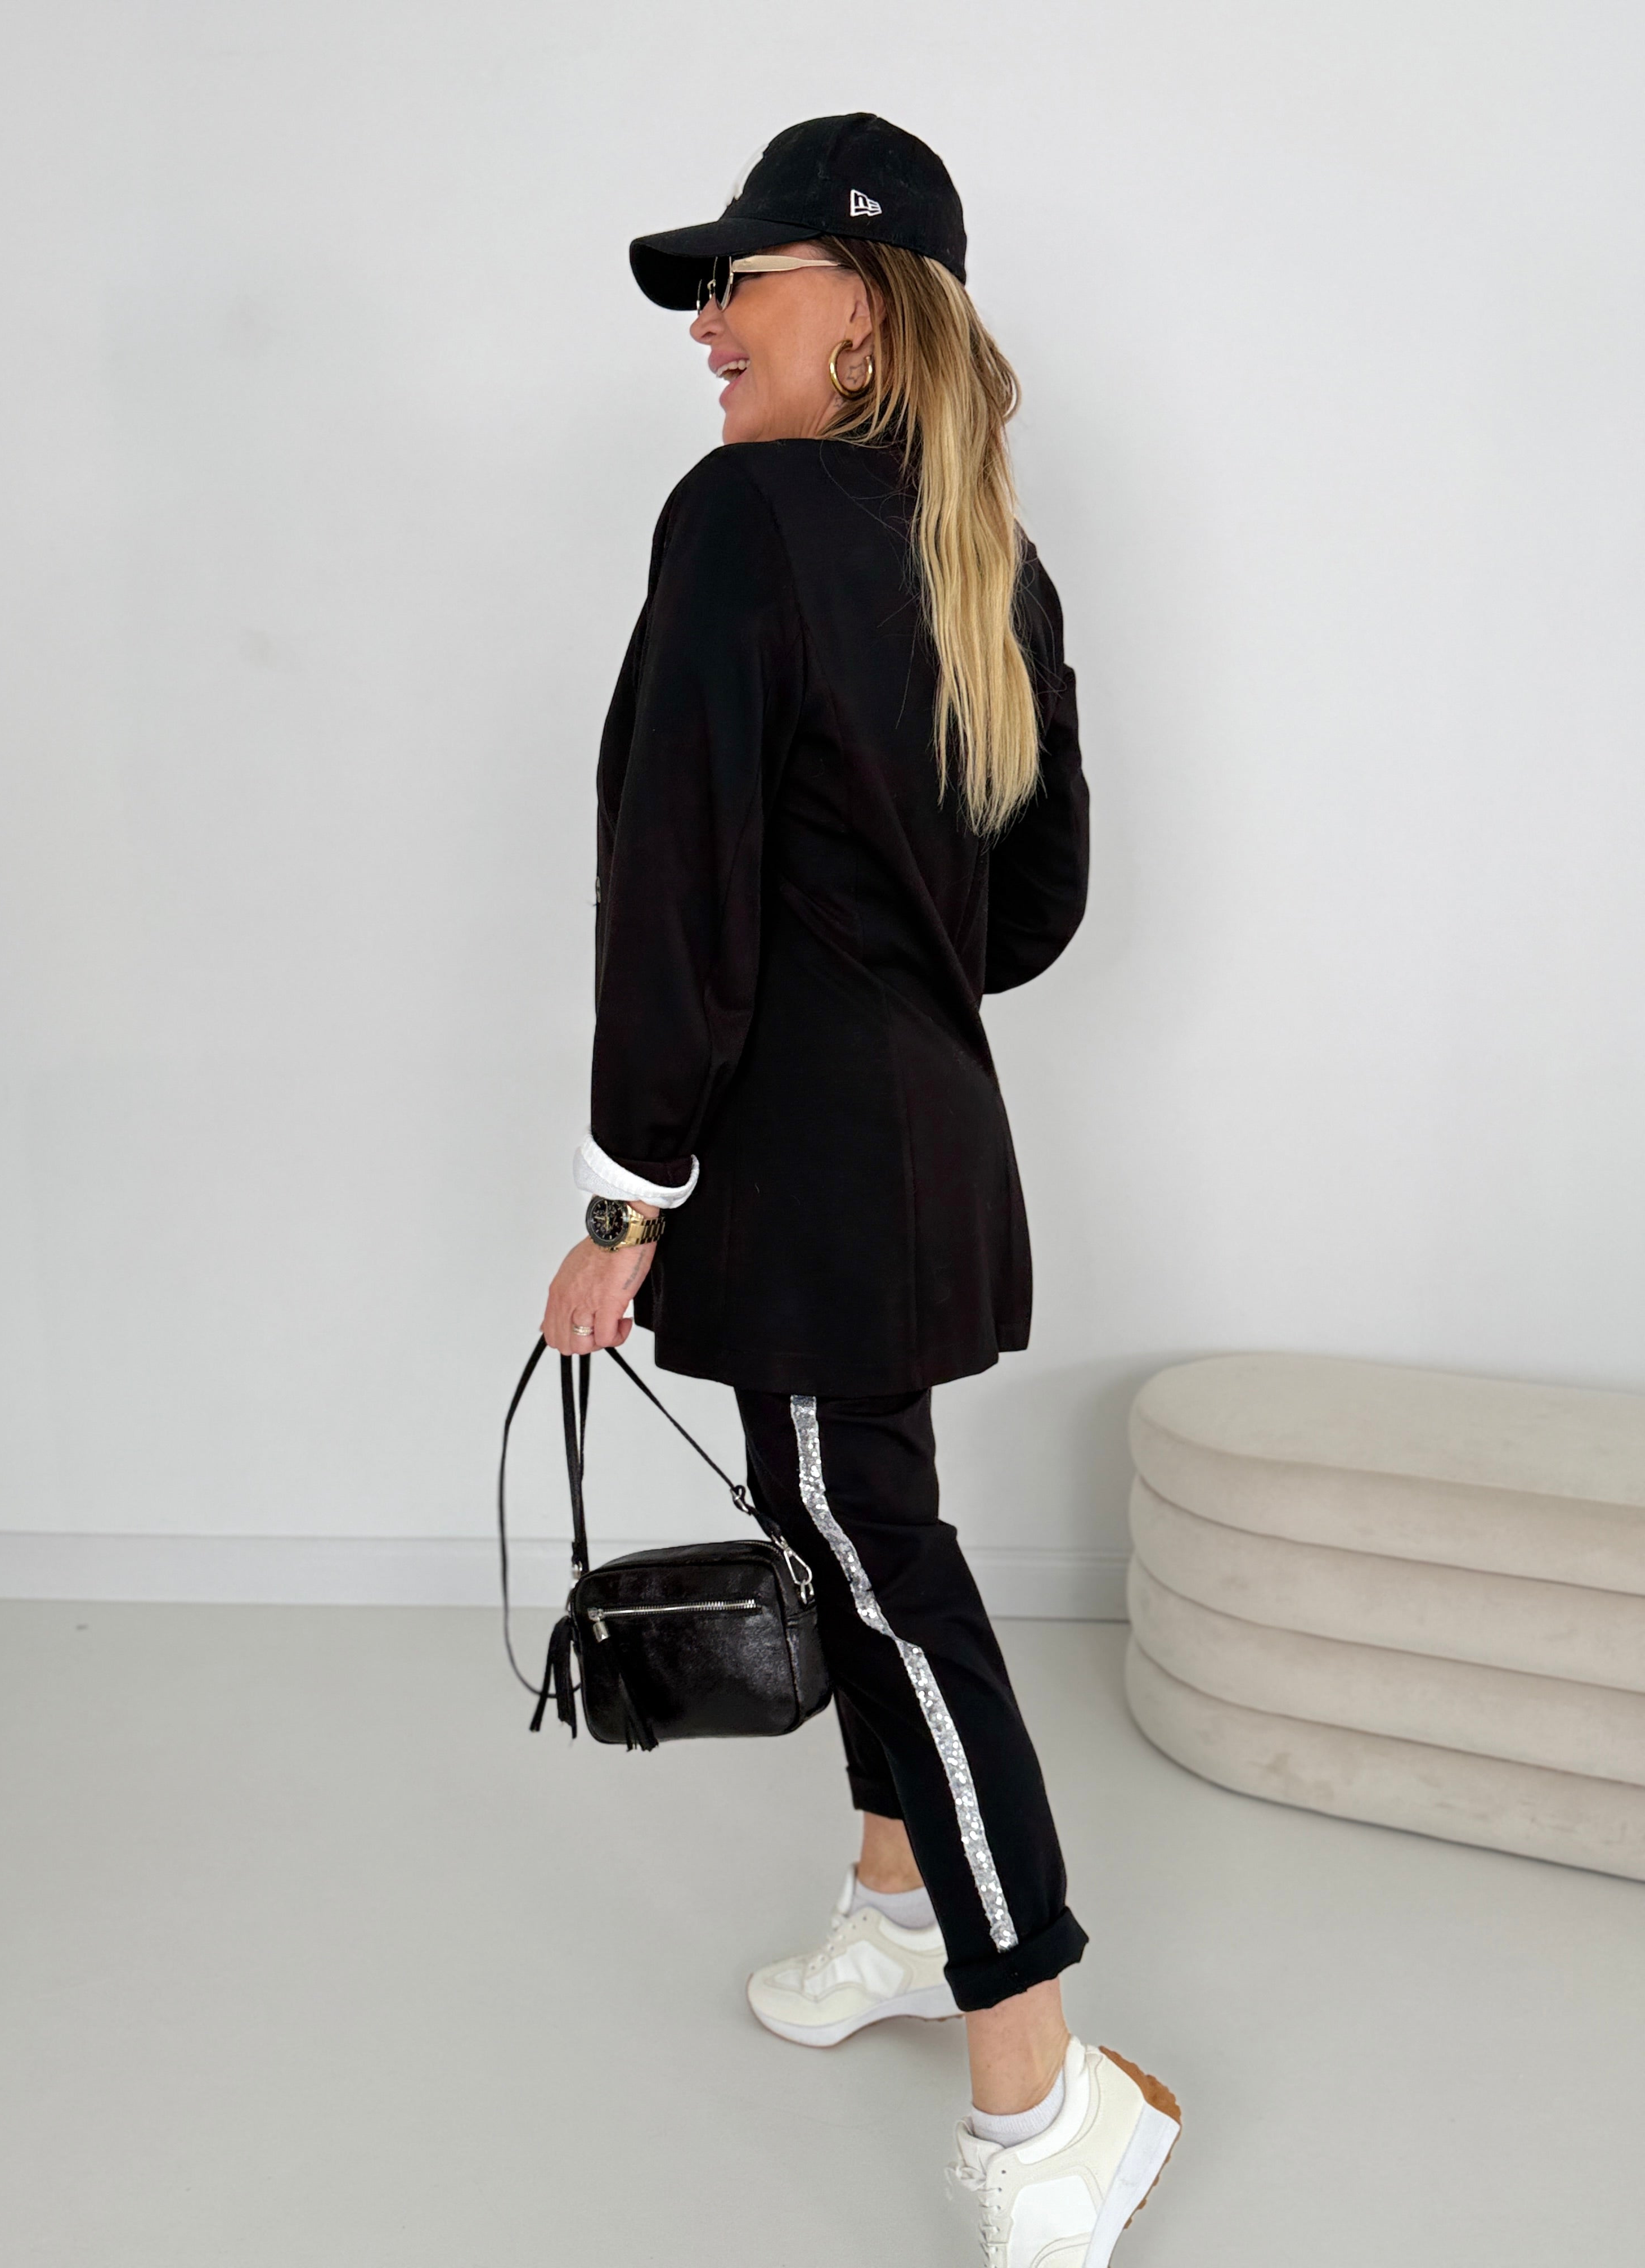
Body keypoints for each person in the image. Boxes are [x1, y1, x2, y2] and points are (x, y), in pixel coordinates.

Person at [541, 113, 1180, 2266]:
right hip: (918, 1141)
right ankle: (899, 1914)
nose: (707, 328)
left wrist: (623, 1207)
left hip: (805, 1171)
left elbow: (677, 879)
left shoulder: (744, 519)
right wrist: (884, 967)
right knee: (847, 1525)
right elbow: (1034, 903)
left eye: (744, 282)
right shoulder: (996, 557)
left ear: (869, 312)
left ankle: (1046, 2101)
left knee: (882, 1569)